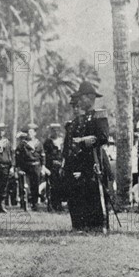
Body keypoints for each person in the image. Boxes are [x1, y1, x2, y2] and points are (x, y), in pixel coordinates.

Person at [62, 81, 111, 232]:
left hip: (95, 158)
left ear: (90, 98)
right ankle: (86, 224)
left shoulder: (99, 115)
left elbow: (103, 137)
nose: (80, 101)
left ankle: (100, 225)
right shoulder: (79, 120)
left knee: (96, 191)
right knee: (85, 191)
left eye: (82, 98)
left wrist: (86, 140)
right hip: (82, 159)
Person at [15, 123, 48, 211]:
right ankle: (23, 204)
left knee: (35, 185)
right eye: (28, 132)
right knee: (24, 186)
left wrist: (43, 167)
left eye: (31, 132)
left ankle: (34, 204)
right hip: (26, 166)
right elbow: (17, 156)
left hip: (36, 166)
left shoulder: (39, 143)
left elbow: (42, 155)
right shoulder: (22, 144)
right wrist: (18, 168)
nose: (30, 134)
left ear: (35, 133)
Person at [44, 123, 64, 212]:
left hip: (61, 165)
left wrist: (63, 162)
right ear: (51, 131)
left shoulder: (62, 141)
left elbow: (64, 153)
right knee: (51, 185)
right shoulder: (47, 142)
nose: (55, 132)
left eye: (57, 130)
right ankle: (51, 204)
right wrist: (52, 162)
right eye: (53, 130)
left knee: (60, 185)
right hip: (51, 166)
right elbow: (46, 155)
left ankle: (59, 204)